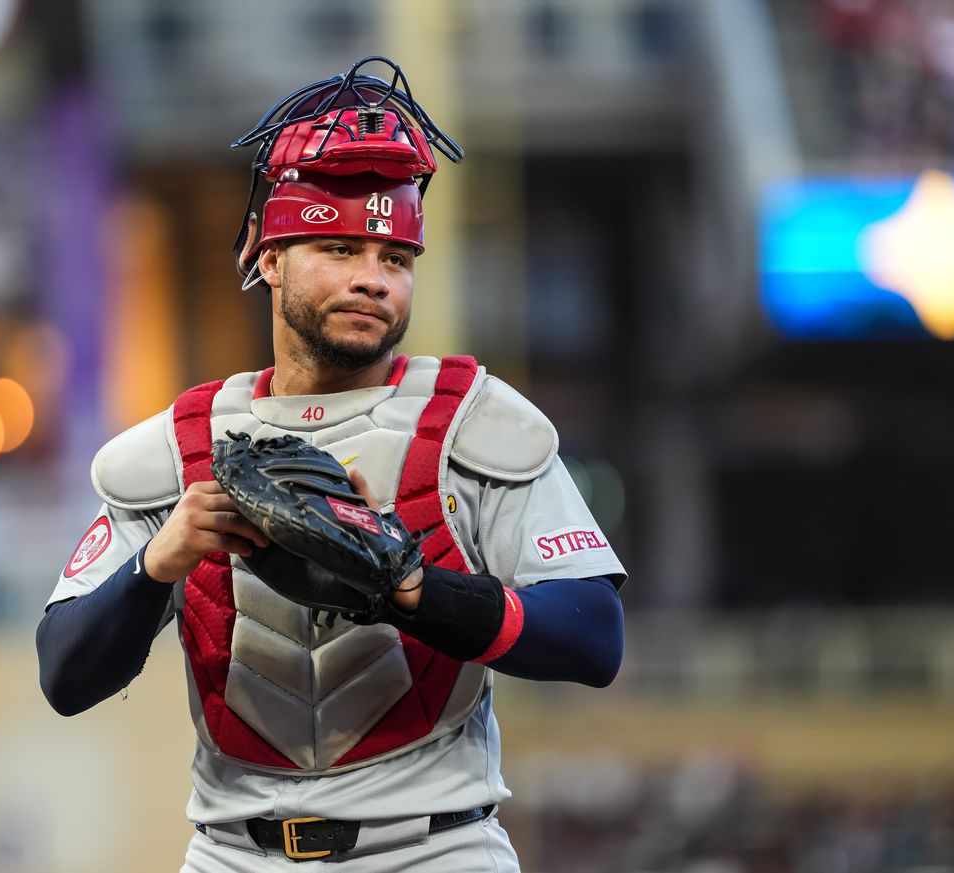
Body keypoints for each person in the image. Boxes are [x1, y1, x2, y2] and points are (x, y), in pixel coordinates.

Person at [37, 56, 626, 872]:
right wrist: (159, 562)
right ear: (268, 255)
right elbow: (65, 672)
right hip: (235, 853)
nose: (372, 279)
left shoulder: (472, 421)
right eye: (340, 247)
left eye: (395, 258)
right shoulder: (183, 445)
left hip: (434, 844)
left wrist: (409, 588)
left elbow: (594, 637)